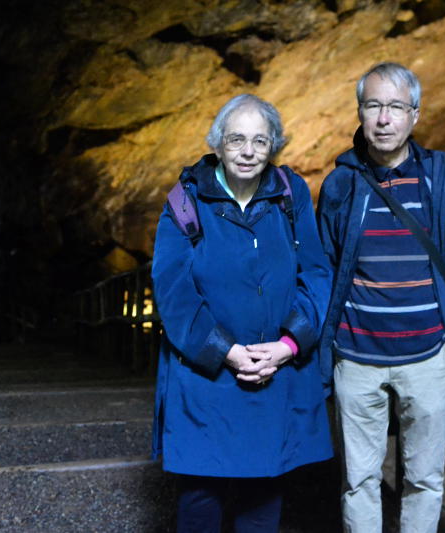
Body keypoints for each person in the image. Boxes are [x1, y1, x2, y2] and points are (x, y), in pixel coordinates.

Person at [316, 62, 445, 533]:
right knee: (358, 480)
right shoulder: (341, 184)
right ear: (360, 112)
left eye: (396, 107)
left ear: (414, 115)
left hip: (427, 357)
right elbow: (324, 270)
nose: (384, 118)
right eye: (373, 105)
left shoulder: (442, 180)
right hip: (355, 357)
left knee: (426, 479)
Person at [151, 93, 333, 533]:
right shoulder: (185, 203)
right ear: (217, 143)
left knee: (264, 492)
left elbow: (318, 273)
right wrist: (226, 351)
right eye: (236, 139)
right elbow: (173, 293)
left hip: (275, 368)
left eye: (259, 140)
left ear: (274, 146)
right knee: (201, 494)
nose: (248, 151)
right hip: (205, 376)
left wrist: (289, 346)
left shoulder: (291, 196)